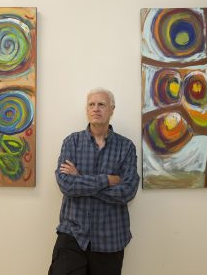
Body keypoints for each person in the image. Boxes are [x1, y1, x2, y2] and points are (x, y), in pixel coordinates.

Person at [48, 88, 140, 275]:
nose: (96, 109)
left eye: (101, 104)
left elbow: (127, 192)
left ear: (112, 109)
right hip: (73, 233)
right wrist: (107, 180)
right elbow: (66, 184)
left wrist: (80, 179)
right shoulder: (71, 142)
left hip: (111, 237)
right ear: (86, 109)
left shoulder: (126, 147)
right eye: (91, 104)